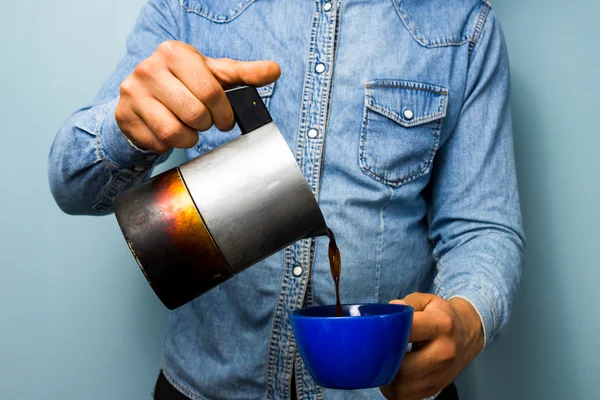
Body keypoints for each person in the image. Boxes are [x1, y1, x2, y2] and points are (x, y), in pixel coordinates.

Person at [48, 0, 525, 399]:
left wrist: (467, 320)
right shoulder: (188, 7)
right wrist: (125, 128)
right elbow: (72, 184)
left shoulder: (465, 28)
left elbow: (481, 228)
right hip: (202, 388)